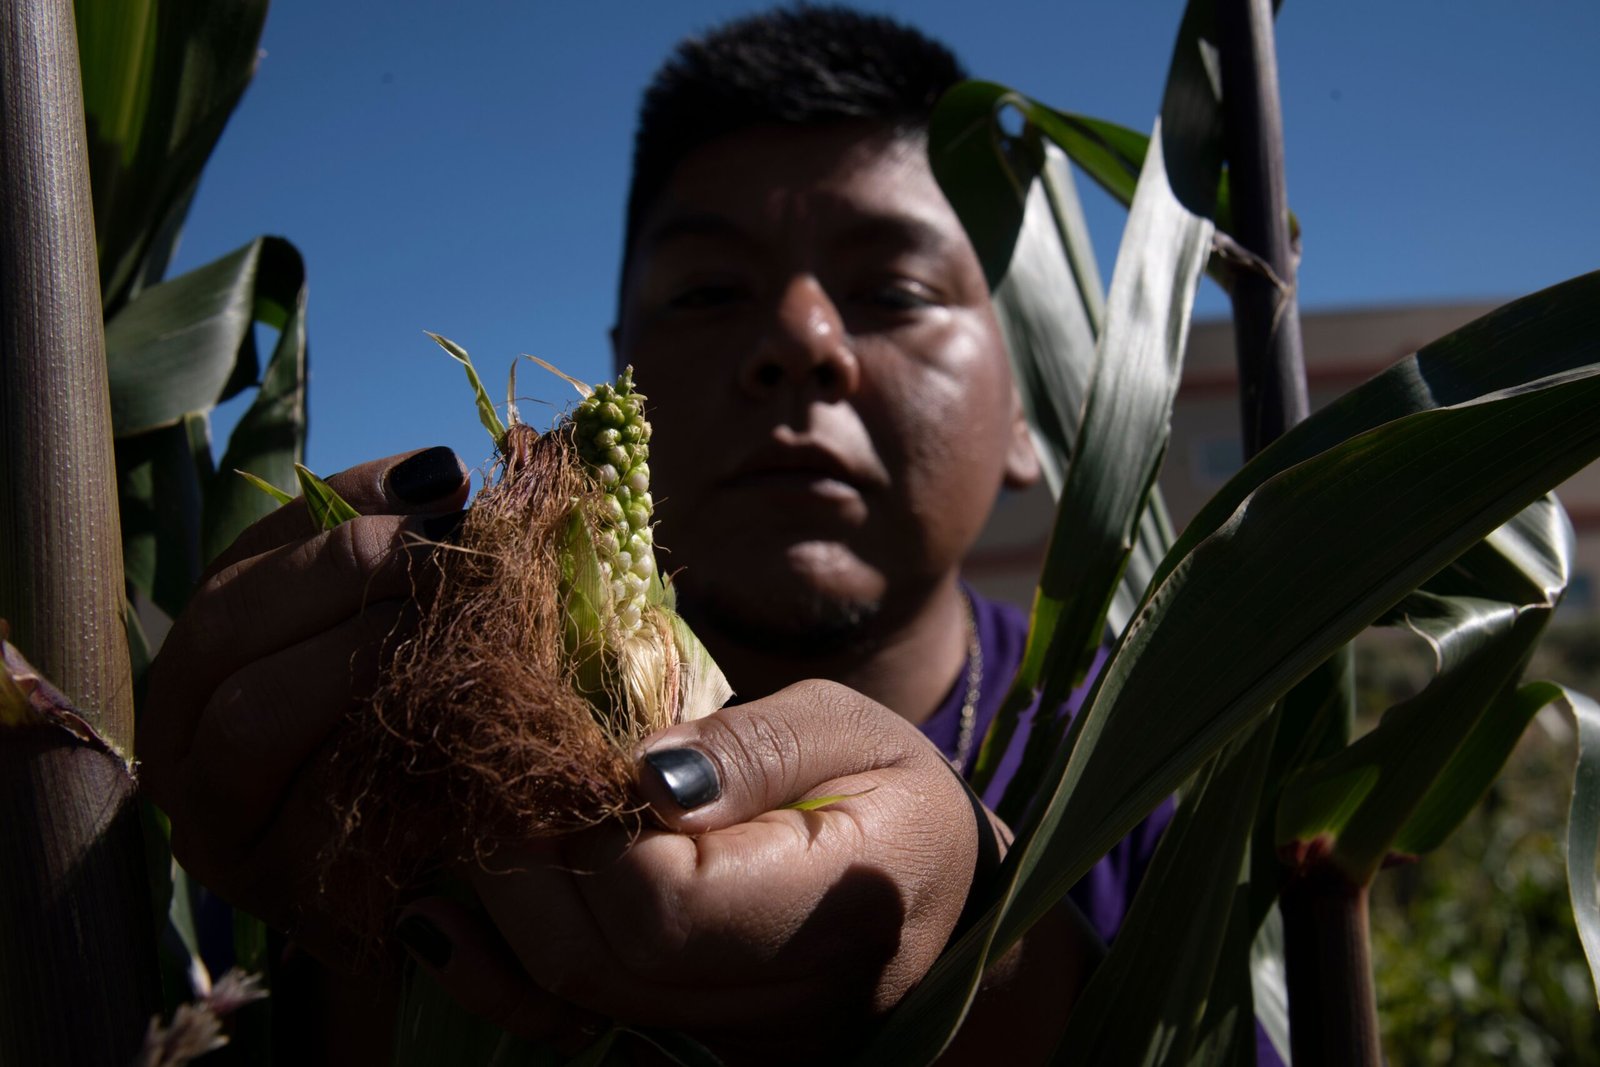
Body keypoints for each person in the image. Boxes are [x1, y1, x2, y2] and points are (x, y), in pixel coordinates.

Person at [138, 7, 1173, 1063]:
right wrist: (346, 923)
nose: (798, 341)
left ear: (1030, 413)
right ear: (620, 356)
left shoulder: (1152, 753)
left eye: (894, 290)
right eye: (711, 290)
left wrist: (992, 952)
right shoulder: (410, 740)